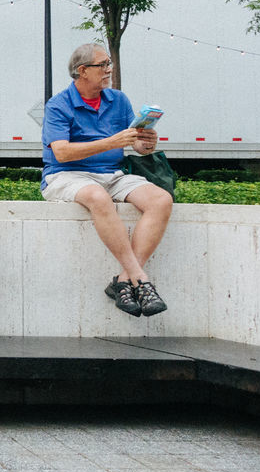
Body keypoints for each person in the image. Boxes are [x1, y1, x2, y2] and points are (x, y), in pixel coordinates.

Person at [41, 43, 172, 317]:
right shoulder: (59, 104)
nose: (109, 70)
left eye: (109, 64)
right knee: (97, 197)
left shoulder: (118, 99)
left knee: (161, 199)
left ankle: (123, 281)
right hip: (66, 175)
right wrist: (111, 141)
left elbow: (134, 145)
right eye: (103, 65)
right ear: (82, 71)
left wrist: (146, 144)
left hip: (112, 174)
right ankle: (141, 280)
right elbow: (62, 153)